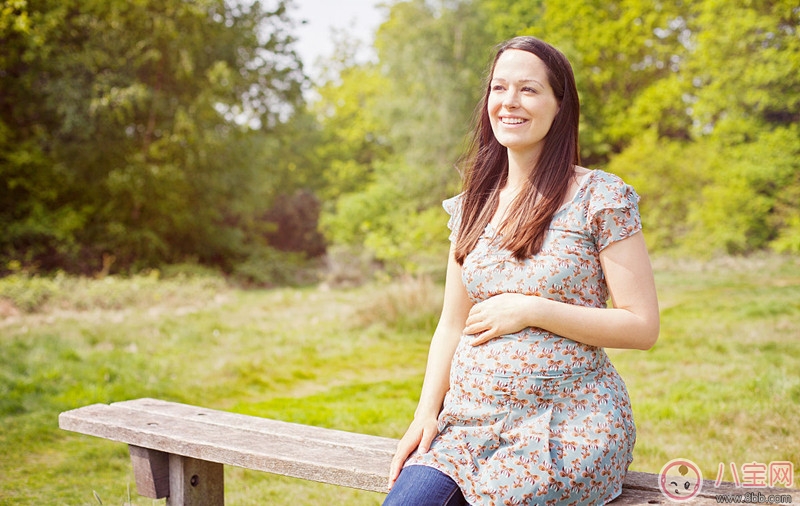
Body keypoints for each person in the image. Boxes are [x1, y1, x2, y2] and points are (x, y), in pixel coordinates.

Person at [383, 36, 660, 506]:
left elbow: (641, 326)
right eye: (498, 88)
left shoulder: (600, 197)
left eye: (529, 90)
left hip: (568, 427)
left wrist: (532, 309)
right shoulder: (473, 204)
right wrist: (426, 412)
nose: (509, 102)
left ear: (559, 105)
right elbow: (451, 323)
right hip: (467, 426)